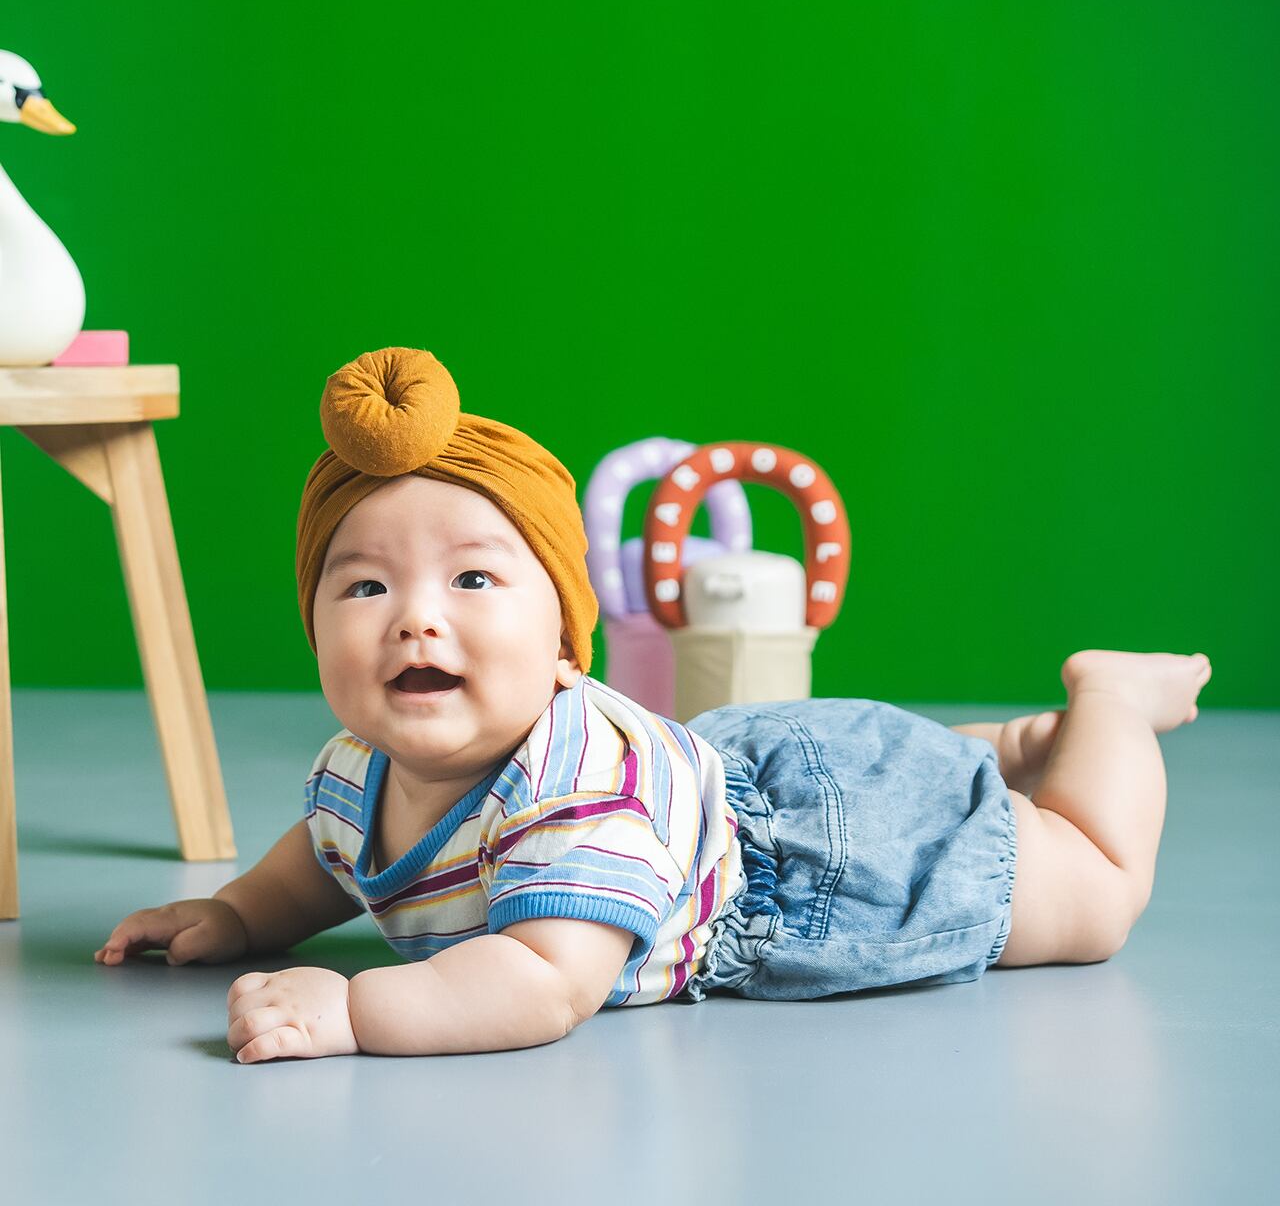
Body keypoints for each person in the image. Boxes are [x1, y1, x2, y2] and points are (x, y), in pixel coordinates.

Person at [95, 347, 1213, 1063]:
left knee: (1095, 893)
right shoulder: (356, 766)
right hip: (728, 769)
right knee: (926, 764)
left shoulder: (575, 794)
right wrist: (238, 914)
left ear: (563, 647)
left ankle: (1106, 700)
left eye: (474, 578)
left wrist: (353, 1012)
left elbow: (543, 980)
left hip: (822, 856)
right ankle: (1006, 745)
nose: (416, 620)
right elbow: (324, 855)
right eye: (366, 586)